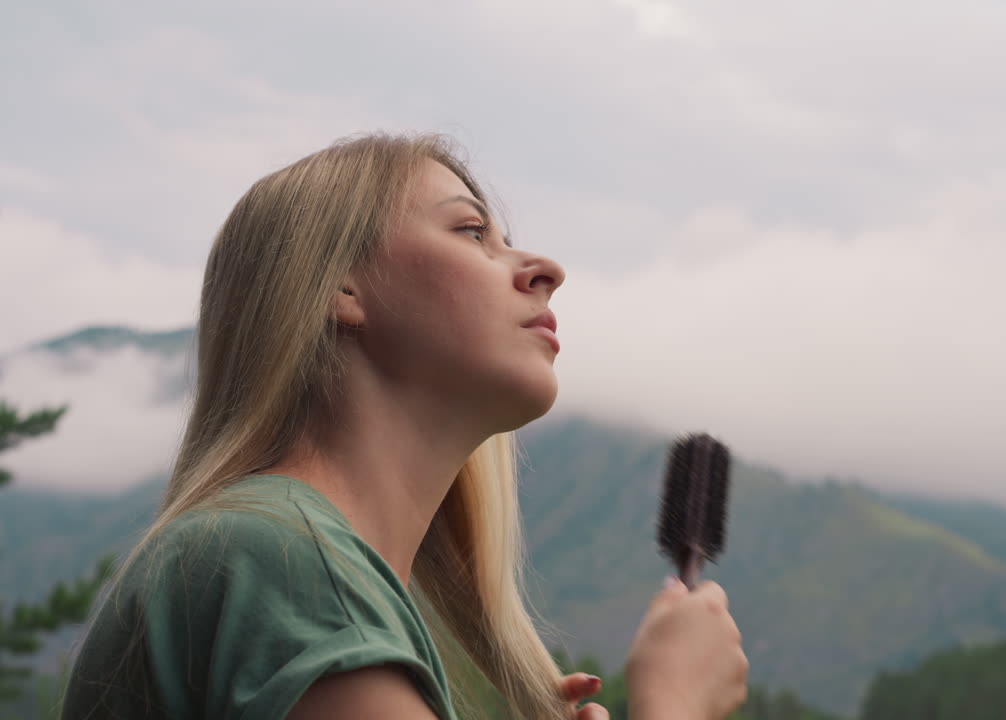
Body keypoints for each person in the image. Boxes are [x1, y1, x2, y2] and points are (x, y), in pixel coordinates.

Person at [59, 133, 749, 720]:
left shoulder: (281, 557)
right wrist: (675, 704)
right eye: (471, 232)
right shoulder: (283, 559)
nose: (547, 269)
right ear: (340, 288)